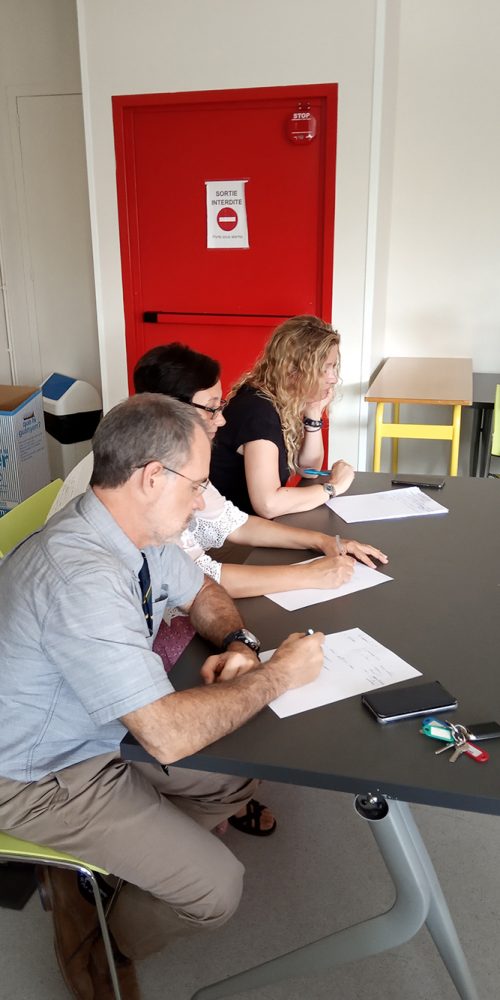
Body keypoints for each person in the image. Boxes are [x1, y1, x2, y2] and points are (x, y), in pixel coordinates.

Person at [0, 393, 324, 1000]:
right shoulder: (82, 575)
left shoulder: (134, 531)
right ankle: (97, 945)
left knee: (236, 780)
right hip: (36, 774)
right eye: (197, 485)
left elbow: (200, 589)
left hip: (98, 729)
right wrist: (277, 675)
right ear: (152, 477)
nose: (202, 501)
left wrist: (240, 642)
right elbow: (167, 735)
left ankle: (109, 875)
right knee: (215, 889)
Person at [133, 342, 387, 600]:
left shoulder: (179, 458)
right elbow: (199, 580)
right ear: (170, 411)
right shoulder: (154, 479)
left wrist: (324, 541)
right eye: (212, 409)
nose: (221, 419)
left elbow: (237, 524)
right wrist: (308, 575)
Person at [210, 314, 356, 517]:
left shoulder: (278, 399)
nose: (333, 378)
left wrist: (313, 411)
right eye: (325, 368)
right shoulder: (258, 412)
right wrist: (334, 487)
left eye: (333, 367)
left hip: (250, 525)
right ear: (294, 370)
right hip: (234, 532)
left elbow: (308, 469)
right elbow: (268, 504)